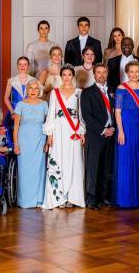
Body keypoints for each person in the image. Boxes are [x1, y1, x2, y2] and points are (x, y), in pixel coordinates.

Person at [42, 65, 85, 209]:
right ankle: (59, 197)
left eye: (69, 75)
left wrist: (82, 131)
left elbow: (81, 114)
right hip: (59, 130)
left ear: (73, 76)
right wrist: (49, 134)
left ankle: (73, 197)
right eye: (64, 75)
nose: (67, 77)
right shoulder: (55, 93)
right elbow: (51, 114)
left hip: (74, 131)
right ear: (61, 76)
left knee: (75, 161)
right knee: (59, 160)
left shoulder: (79, 92)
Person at [114, 61, 139, 208]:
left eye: (137, 71)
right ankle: (124, 198)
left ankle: (138, 198)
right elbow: (117, 112)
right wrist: (121, 131)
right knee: (125, 160)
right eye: (132, 72)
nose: (135, 74)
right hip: (125, 128)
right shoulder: (121, 88)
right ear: (127, 72)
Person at [80, 64, 115, 210]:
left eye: (104, 72)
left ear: (107, 74)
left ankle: (102, 197)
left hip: (111, 134)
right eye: (98, 72)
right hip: (96, 135)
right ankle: (91, 199)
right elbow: (87, 116)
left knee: (105, 167)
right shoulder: (87, 92)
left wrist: (112, 129)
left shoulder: (112, 90)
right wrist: (103, 130)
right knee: (93, 167)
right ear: (94, 75)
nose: (101, 75)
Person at [13, 80, 48, 209]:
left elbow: (48, 124)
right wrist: (16, 144)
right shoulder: (20, 105)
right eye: (30, 88)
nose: (33, 91)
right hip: (24, 140)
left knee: (39, 169)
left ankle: (39, 199)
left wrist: (47, 142)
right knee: (25, 170)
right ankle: (25, 201)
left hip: (39, 139)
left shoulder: (44, 104)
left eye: (36, 88)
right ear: (27, 90)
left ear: (39, 91)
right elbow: (16, 127)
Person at [3, 56, 37, 130]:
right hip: (15, 110)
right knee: (14, 132)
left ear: (28, 66)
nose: (22, 66)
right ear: (17, 66)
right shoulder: (11, 81)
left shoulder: (34, 80)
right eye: (20, 64)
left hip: (30, 110)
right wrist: (12, 112)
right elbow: (6, 99)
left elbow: (36, 97)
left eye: (25, 64)